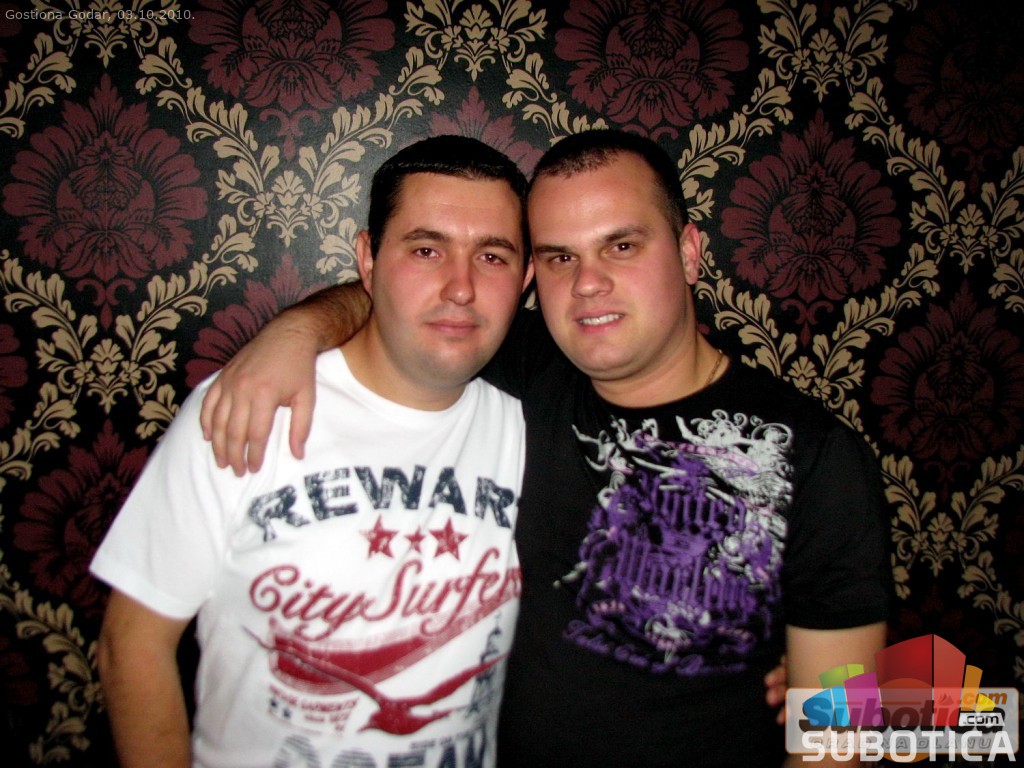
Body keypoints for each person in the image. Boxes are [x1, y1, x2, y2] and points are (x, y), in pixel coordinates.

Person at [200, 130, 891, 766]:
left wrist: (827, 694)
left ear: (688, 251)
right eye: (561, 257)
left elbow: (844, 734)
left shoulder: (817, 456)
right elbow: (398, 302)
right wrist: (293, 332)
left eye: (622, 246)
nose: (588, 282)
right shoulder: (521, 368)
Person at [90, 136, 536, 768]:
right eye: (426, 249)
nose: (460, 287)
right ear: (368, 260)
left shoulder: (531, 424)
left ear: (525, 278)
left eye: (491, 256)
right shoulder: (252, 405)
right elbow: (132, 645)